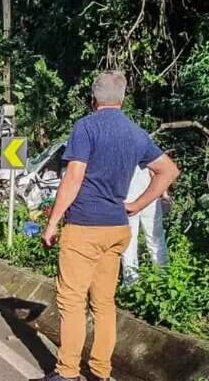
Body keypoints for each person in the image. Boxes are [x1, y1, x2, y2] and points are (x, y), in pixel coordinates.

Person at [36, 71, 179, 381]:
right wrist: (137, 205)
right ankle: (100, 372)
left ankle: (67, 373)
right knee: (104, 303)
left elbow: (73, 178)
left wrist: (52, 223)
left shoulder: (86, 127)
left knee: (72, 301)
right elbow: (168, 171)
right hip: (116, 228)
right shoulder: (136, 133)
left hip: (85, 225)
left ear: (93, 99)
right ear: (123, 99)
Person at [122, 166, 169, 285]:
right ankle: (163, 278)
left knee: (129, 242)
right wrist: (164, 195)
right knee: (156, 239)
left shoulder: (118, 151)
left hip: (128, 200)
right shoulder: (145, 148)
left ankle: (131, 282)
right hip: (150, 198)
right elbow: (157, 172)